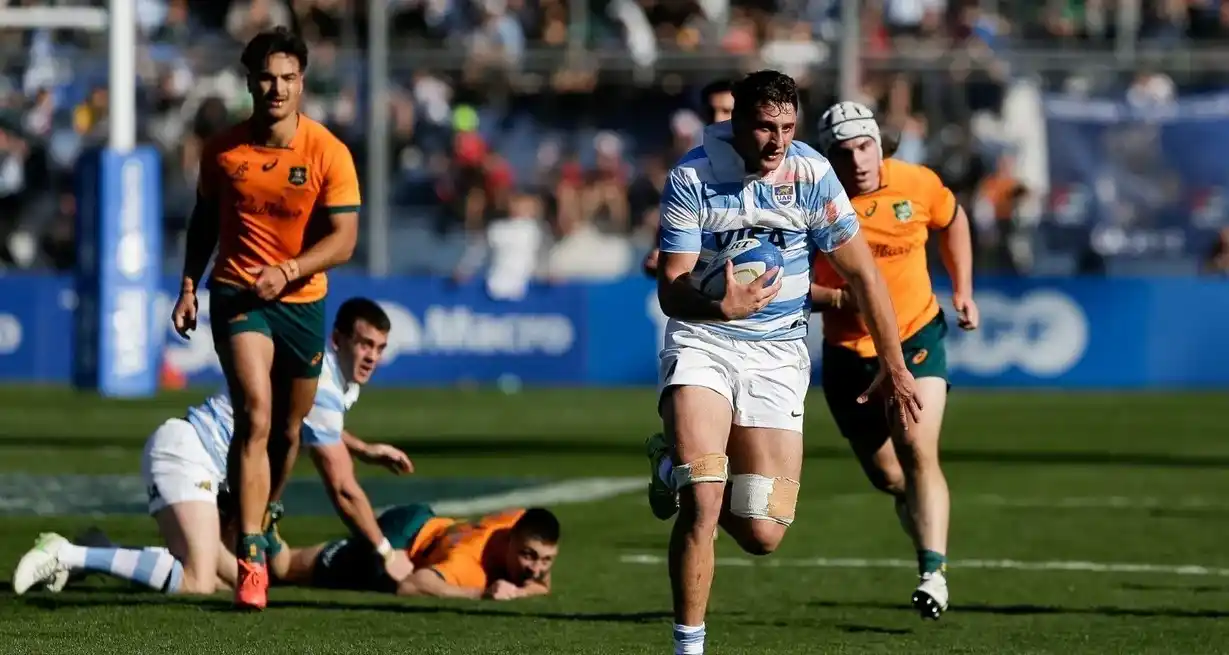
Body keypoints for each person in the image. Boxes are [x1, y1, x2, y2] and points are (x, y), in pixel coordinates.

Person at [646, 71, 922, 655]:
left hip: (778, 354)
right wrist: (717, 304)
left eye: (788, 127)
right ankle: (688, 645)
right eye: (765, 128)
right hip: (705, 340)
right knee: (705, 495)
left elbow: (862, 274)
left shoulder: (812, 172)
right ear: (736, 121)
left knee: (764, 532)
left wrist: (894, 366)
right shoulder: (693, 176)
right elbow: (671, 287)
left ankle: (670, 464)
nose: (778, 141)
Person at [12, 299, 414, 599]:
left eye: (379, 347)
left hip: (202, 462)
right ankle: (66, 554)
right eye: (364, 344)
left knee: (233, 581)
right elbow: (343, 489)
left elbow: (303, 418)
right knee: (199, 582)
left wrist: (361, 448)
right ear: (338, 340)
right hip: (188, 455)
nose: (371, 356)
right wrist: (384, 551)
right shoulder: (324, 384)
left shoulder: (321, 373)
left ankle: (101, 550)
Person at [169, 28, 361, 610]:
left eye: (287, 78)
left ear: (301, 82)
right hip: (238, 294)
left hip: (302, 302)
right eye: (266, 78)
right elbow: (204, 223)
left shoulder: (328, 151)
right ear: (249, 82)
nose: (276, 88)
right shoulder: (222, 151)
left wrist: (292, 269)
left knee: (288, 431)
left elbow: (344, 239)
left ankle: (264, 509)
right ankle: (252, 554)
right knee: (254, 411)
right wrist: (187, 285)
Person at [811, 101, 980, 620]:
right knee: (890, 476)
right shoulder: (809, 203)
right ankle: (918, 512)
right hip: (850, 355)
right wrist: (843, 300)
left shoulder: (918, 183)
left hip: (915, 336)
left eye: (865, 146)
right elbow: (785, 285)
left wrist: (963, 289)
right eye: (844, 152)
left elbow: (953, 220)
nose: (859, 160)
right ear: (828, 158)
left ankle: (933, 572)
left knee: (915, 444)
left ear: (880, 143)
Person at [277, 504, 560, 601]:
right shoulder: (468, 566)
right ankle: (255, 527)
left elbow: (539, 583)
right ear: (511, 541)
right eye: (528, 556)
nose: (536, 569)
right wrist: (481, 594)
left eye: (546, 559)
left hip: (425, 522)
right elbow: (411, 585)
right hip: (402, 539)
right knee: (285, 568)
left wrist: (522, 590)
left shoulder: (520, 520)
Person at [643, 80, 736, 278]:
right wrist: (660, 257)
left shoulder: (780, 169)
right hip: (709, 298)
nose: (719, 119)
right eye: (711, 113)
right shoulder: (686, 175)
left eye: (727, 111)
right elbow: (664, 249)